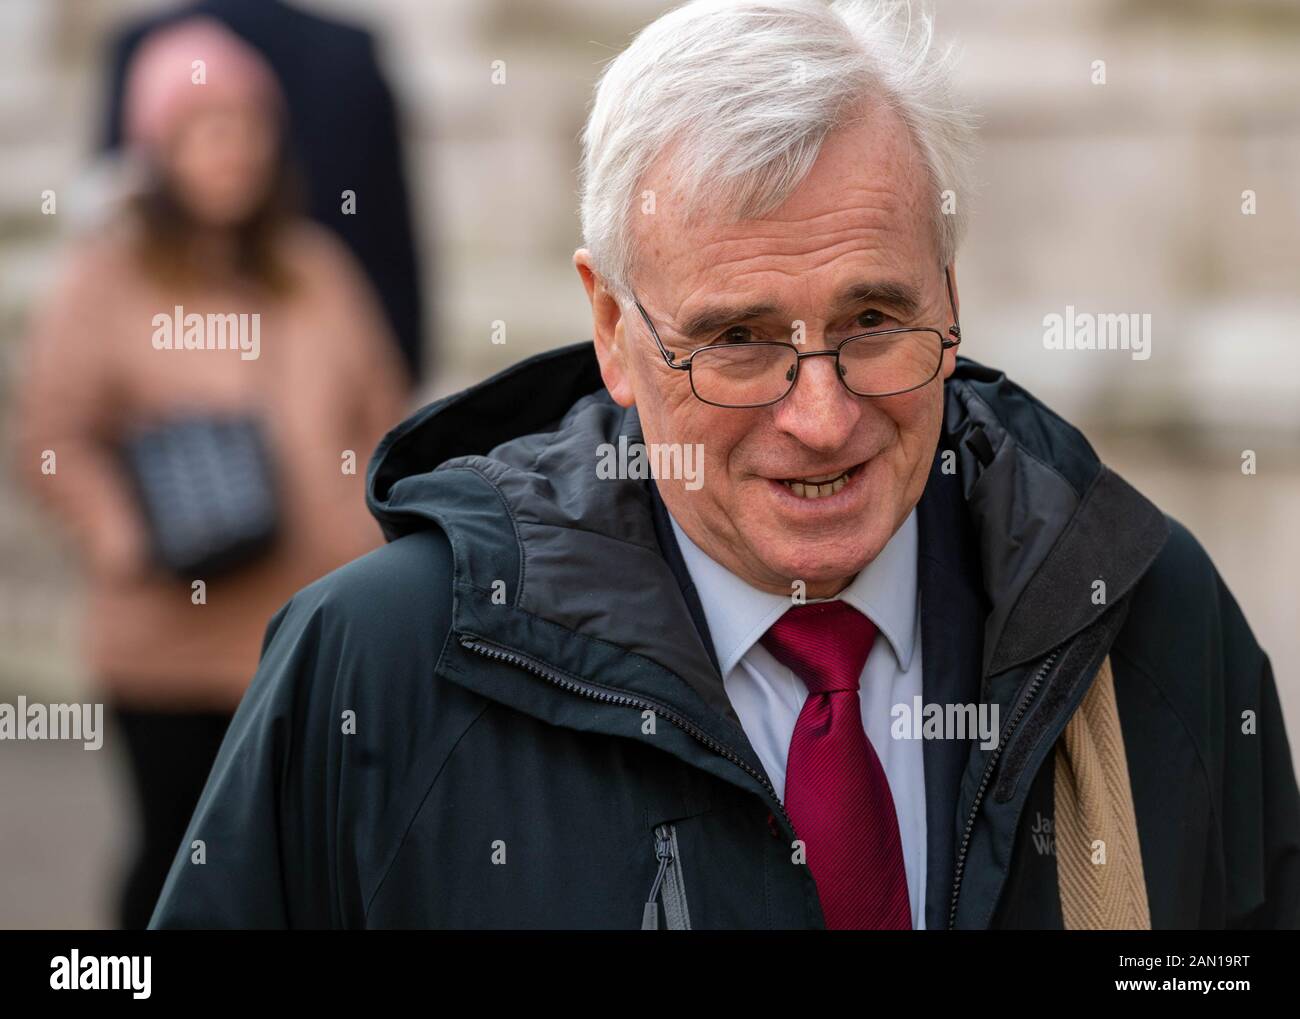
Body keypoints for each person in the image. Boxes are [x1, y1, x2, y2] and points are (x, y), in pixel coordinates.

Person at [148, 0, 1300, 929]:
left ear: (949, 291)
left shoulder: (1143, 617)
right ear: (610, 328)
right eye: (738, 339)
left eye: (872, 318)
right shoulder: (379, 670)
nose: (820, 413)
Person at [10, 17, 408, 929]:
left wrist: (370, 544)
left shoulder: (316, 269)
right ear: (156, 148)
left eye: (246, 125)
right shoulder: (102, 281)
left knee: (302, 865)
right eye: (202, 127)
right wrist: (121, 532)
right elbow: (52, 438)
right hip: (168, 644)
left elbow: (386, 419)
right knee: (174, 862)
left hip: (302, 635)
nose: (230, 150)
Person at [100, 0, 428, 384]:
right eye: (209, 135)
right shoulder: (111, 286)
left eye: (246, 133)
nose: (232, 156)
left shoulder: (321, 275)